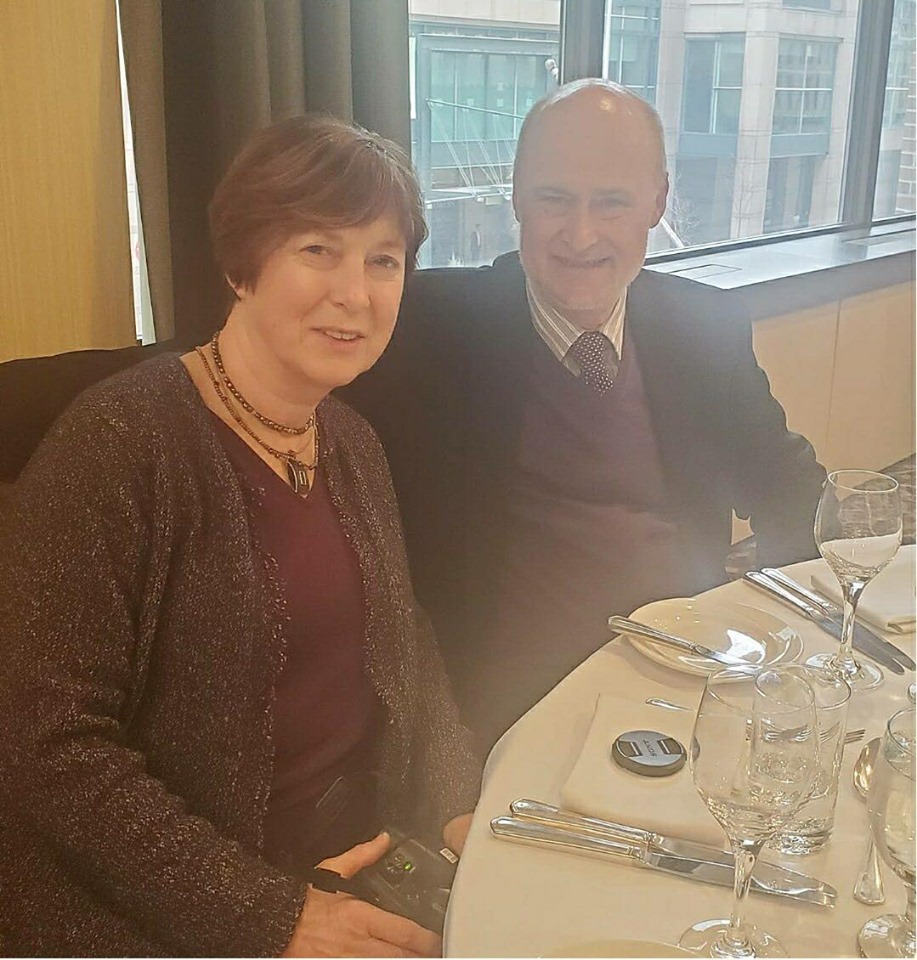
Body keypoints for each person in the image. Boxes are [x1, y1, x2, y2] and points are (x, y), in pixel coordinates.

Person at [0, 115, 480, 957]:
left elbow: (406, 636)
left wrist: (454, 803)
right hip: (169, 903)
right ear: (242, 263)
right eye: (317, 250)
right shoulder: (119, 444)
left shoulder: (351, 440)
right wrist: (268, 914)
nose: (356, 293)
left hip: (353, 855)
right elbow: (48, 746)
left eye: (383, 260)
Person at [343, 79, 826, 750]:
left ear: (656, 202)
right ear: (515, 195)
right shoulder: (428, 330)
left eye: (611, 202)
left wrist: (796, 636)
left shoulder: (704, 327)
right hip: (514, 704)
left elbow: (787, 487)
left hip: (688, 674)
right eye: (553, 199)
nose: (580, 234)